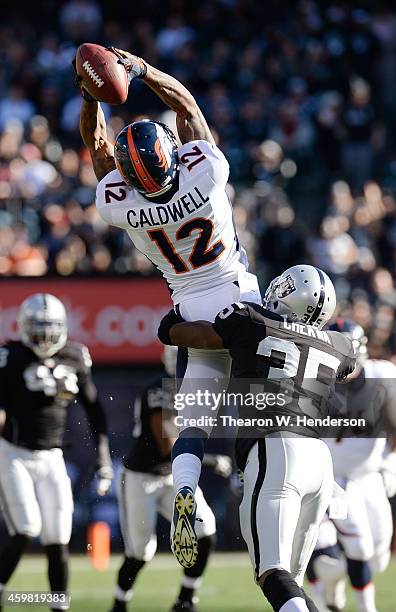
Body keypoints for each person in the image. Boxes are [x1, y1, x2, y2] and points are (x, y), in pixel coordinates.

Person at [75, 46, 261, 568]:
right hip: (242, 302)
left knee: (193, 419)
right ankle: (254, 480)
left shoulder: (123, 207)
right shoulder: (205, 171)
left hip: (192, 312)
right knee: (267, 407)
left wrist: (92, 92)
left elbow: (96, 143)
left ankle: (186, 487)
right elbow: (187, 106)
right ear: (173, 154)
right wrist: (141, 69)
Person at [158, 264, 356, 612]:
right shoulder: (340, 345)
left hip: (277, 450)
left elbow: (197, 337)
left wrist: (170, 324)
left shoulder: (251, 320)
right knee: (289, 583)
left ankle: (185, 484)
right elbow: (349, 369)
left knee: (272, 573)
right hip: (320, 462)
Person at [0, 293, 113, 612]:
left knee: (58, 535)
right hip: (13, 453)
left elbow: (94, 411)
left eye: (51, 328)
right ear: (23, 327)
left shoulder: (75, 355)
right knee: (26, 528)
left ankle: (58, 606)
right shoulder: (10, 355)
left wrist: (103, 458)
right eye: (38, 328)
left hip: (52, 457)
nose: (45, 336)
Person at [111, 346, 232, 612]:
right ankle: (119, 603)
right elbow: (168, 443)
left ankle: (185, 599)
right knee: (140, 552)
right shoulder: (161, 389)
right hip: (142, 477)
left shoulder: (196, 391)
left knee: (205, 530)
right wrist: (210, 460)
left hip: (173, 475)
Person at [306, 320, 396, 612]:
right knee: (351, 546)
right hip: (331, 477)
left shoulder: (380, 379)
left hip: (368, 478)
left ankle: (336, 575)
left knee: (378, 557)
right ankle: (350, 600)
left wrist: (391, 464)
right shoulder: (312, 382)